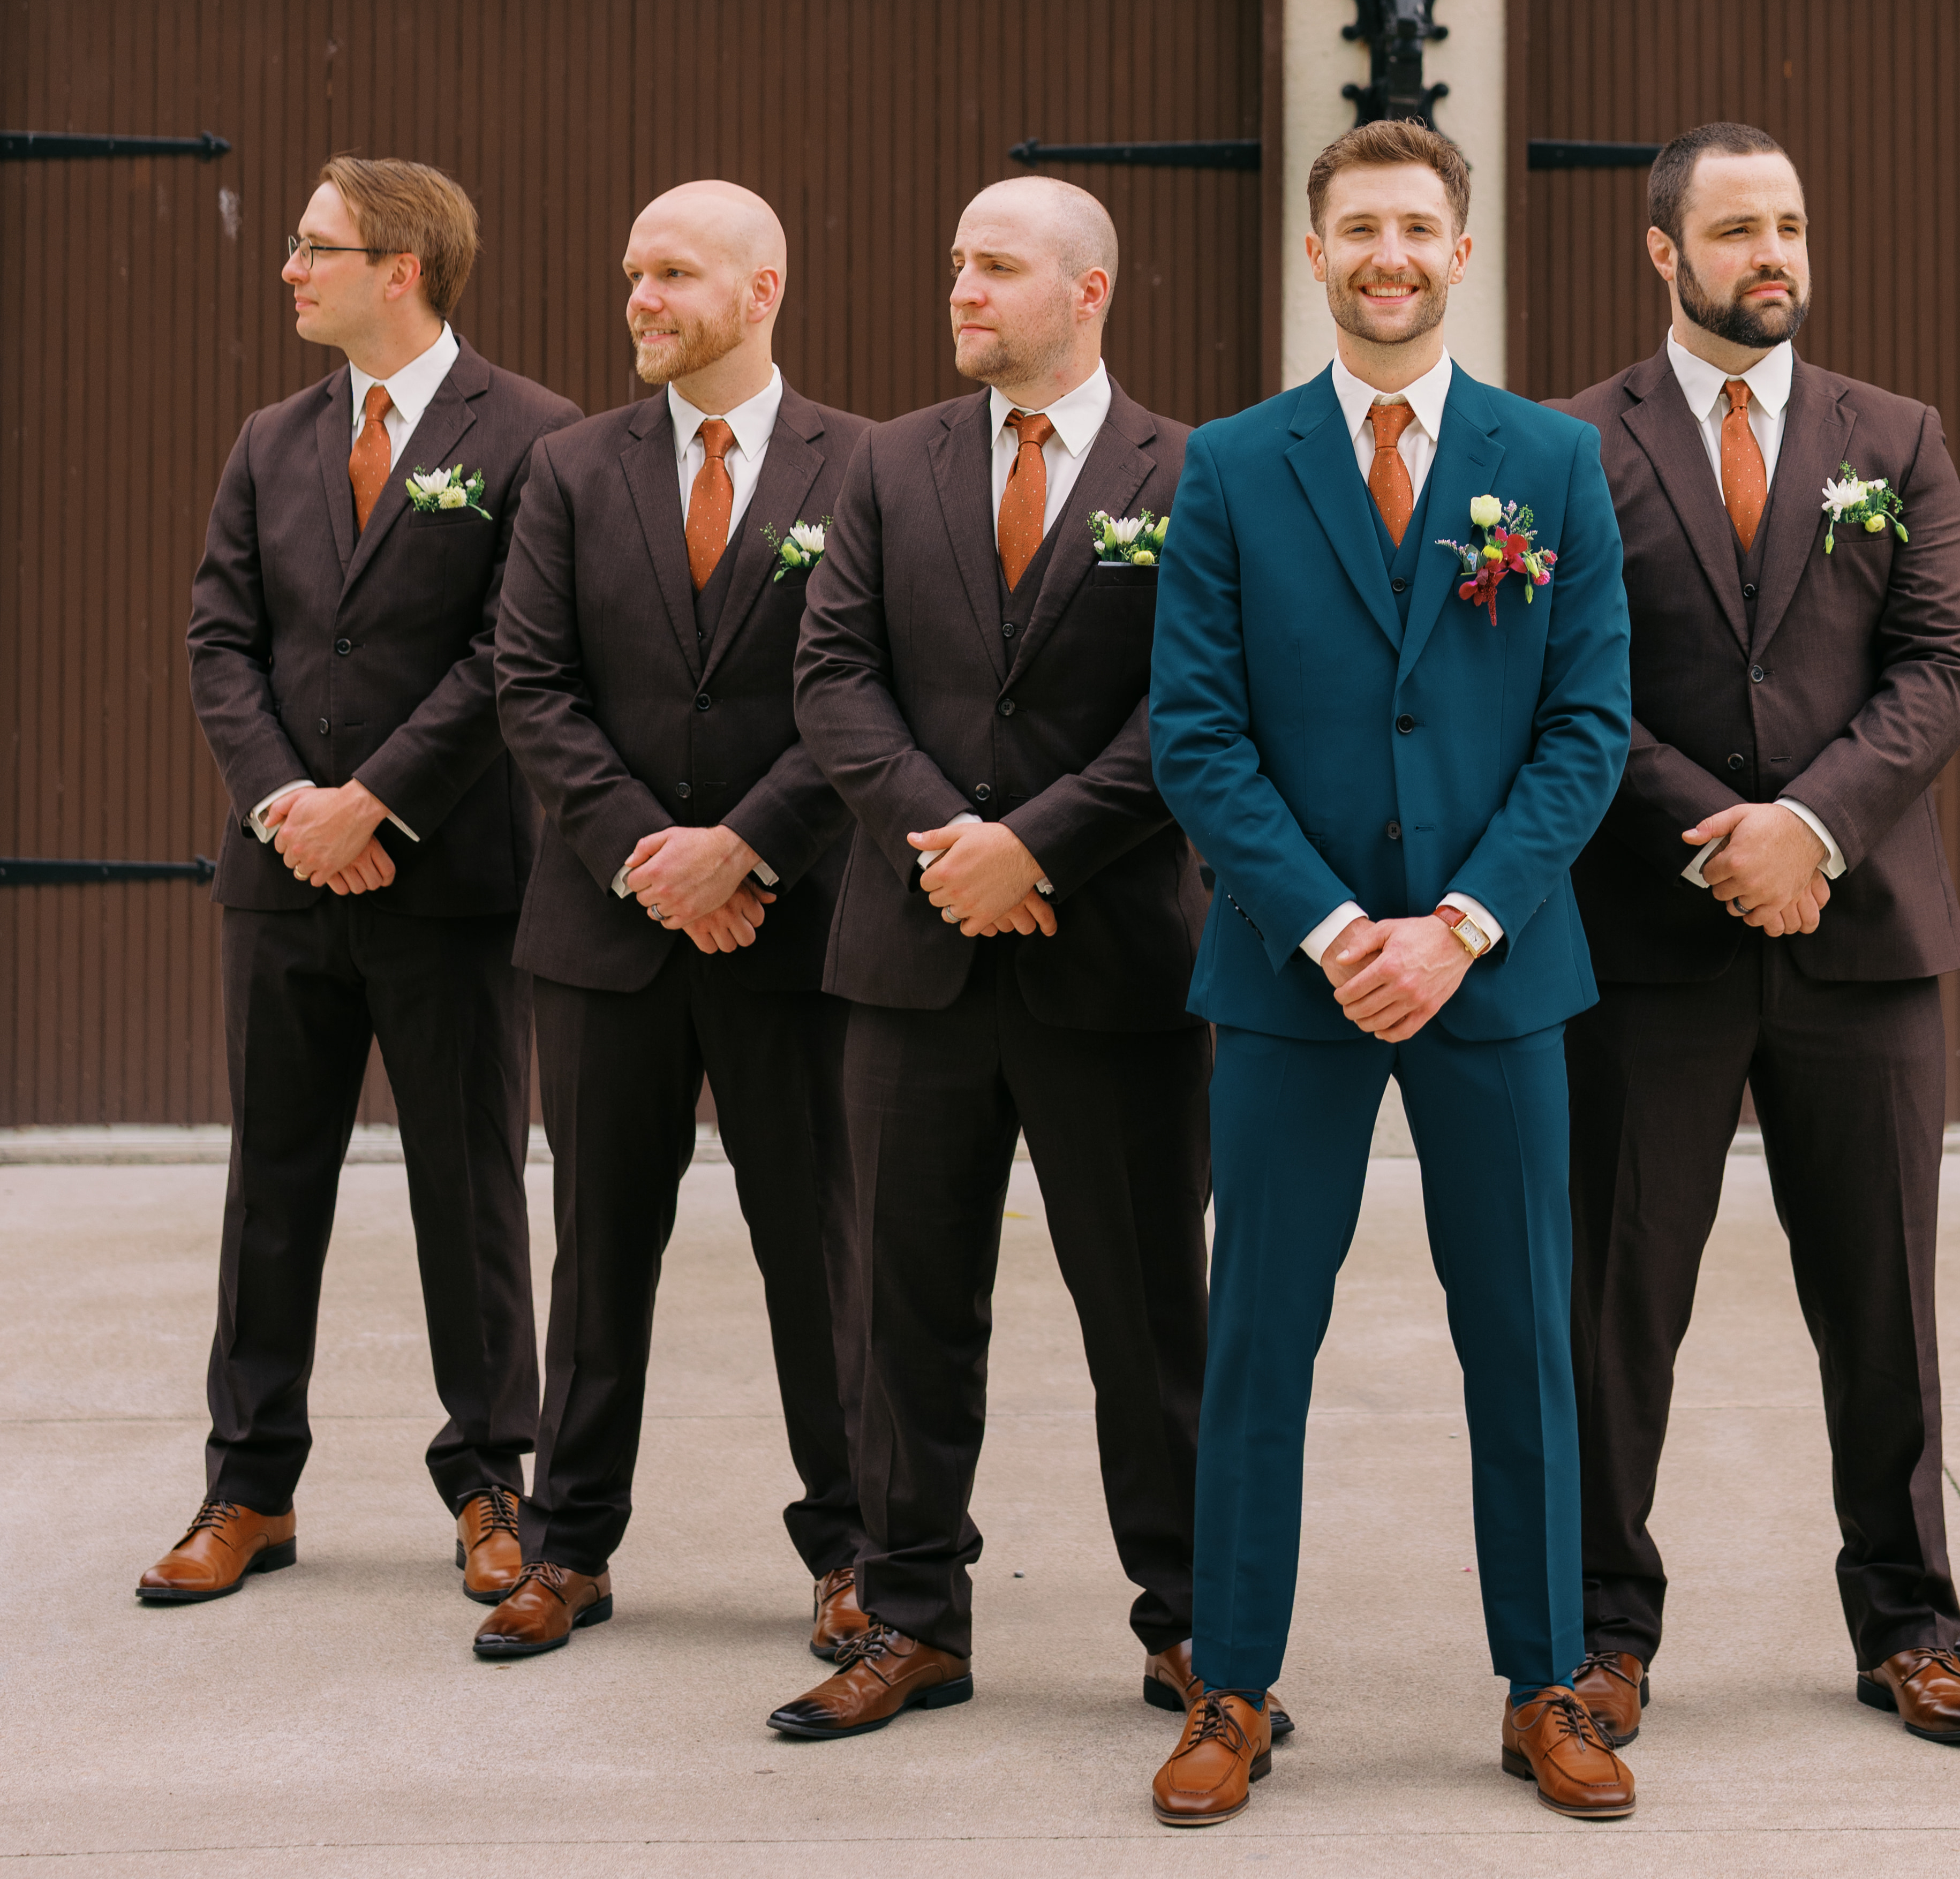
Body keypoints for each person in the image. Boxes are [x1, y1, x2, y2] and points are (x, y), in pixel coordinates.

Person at [1143, 120, 1634, 1826]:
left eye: (1418, 228)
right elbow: (1195, 734)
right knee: (1260, 1340)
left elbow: (1588, 726)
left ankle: (1545, 1683)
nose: (1390, 256)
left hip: (1499, 978)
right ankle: (1235, 1686)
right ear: (1315, 250)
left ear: (1463, 249)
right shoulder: (1230, 464)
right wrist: (1341, 930)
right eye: (1359, 228)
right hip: (1295, 982)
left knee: (1525, 1343)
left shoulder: (1551, 463)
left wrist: (1463, 925)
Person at [1550, 122, 1960, 1748]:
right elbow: (1565, 687)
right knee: (1617, 1303)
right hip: (1642, 948)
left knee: (1882, 1300)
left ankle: (1906, 1618)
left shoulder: (1899, 434)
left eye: (1792, 224)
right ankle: (1602, 1633)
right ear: (1663, 252)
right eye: (1739, 228)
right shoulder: (1570, 448)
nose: (1775, 255)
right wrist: (1720, 838)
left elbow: (1945, 663)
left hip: (1859, 933)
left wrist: (1807, 828)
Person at [775, 176, 1230, 1740]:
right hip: (913, 965)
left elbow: (1196, 707)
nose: (960, 286)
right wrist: (944, 847)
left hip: (1112, 967)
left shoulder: (1194, 474)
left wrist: (1035, 847)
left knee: (1152, 1318)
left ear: (1089, 288)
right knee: (904, 1309)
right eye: (955, 259)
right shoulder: (886, 465)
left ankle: (1187, 1626)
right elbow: (832, 677)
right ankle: (910, 1618)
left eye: (995, 265)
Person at [154, 156, 575, 1609]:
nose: (290, 268)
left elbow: (509, 657)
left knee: (469, 1189)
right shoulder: (269, 440)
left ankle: (490, 1482)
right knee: (272, 1182)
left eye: (315, 246)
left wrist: (377, 802)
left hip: (446, 880)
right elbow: (223, 637)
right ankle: (249, 1487)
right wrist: (287, 804)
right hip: (282, 884)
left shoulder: (531, 438)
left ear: (401, 267)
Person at [480, 182, 871, 1662]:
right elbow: (533, 685)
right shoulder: (572, 472)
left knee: (819, 1251)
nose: (639, 298)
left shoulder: (870, 468)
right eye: (631, 272)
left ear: (763, 286)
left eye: (673, 274)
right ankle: (567, 1544)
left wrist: (746, 852)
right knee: (598, 1247)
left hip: (795, 932)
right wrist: (653, 854)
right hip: (608, 932)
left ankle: (851, 1548)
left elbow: (862, 691)